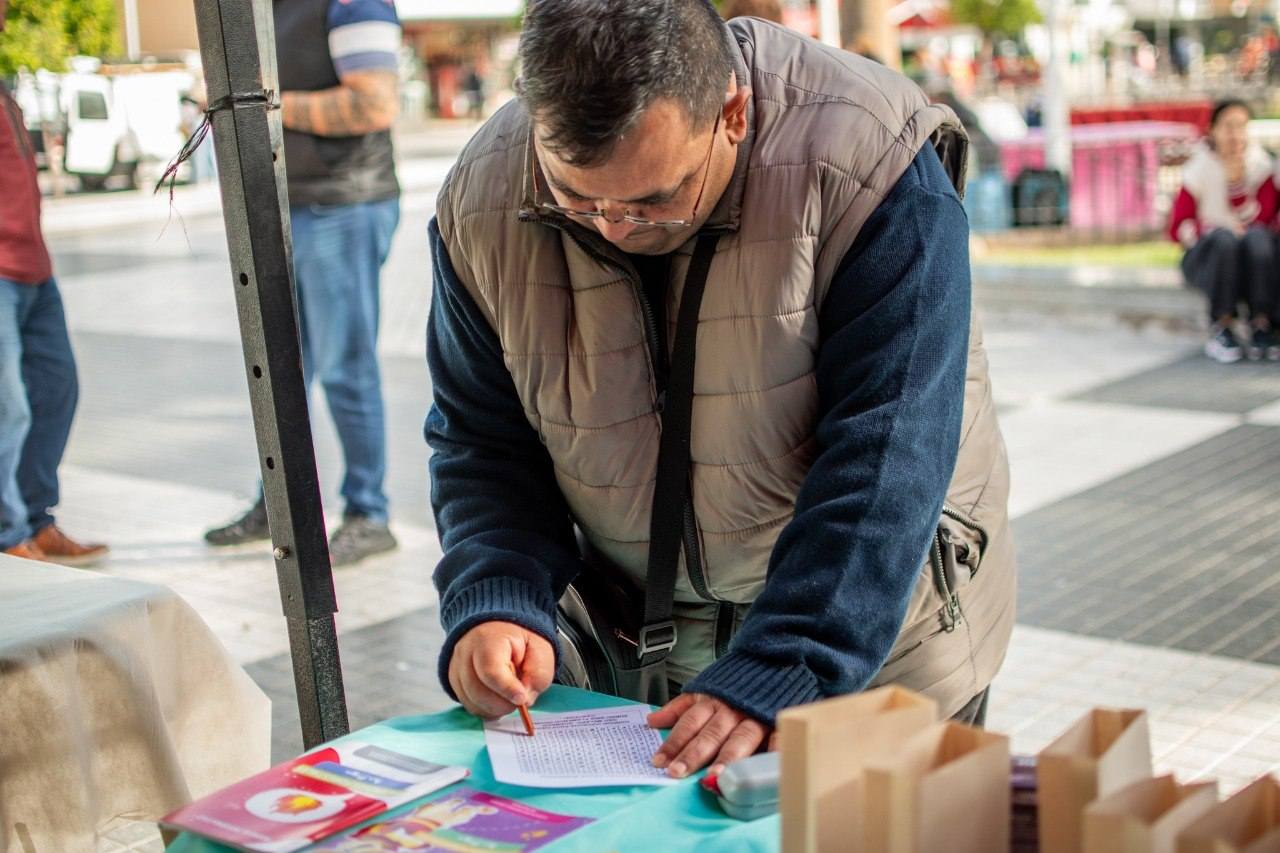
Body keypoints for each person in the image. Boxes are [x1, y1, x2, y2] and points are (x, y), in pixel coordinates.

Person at [426, 1, 1015, 779]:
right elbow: (483, 438)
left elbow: (888, 457)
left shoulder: (871, 161)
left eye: (652, 199)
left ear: (732, 112)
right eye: (576, 198)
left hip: (875, 642)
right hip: (633, 657)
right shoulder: (482, 198)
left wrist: (786, 663)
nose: (613, 229)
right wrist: (499, 592)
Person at [205, 0, 403, 566]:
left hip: (342, 204)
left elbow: (373, 102)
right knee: (282, 367)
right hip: (283, 204)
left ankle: (369, 512)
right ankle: (282, 506)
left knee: (344, 366)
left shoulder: (351, 2)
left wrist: (257, 107)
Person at [0, 0, 108, 567]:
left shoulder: (4, 85)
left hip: (33, 269)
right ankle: (6, 537)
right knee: (5, 407)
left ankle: (35, 520)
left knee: (54, 390)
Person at [1169, 99, 1280, 362]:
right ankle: (1222, 325)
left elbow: (1263, 219)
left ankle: (1261, 324)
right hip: (1210, 257)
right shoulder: (1198, 169)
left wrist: (1237, 185)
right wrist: (1210, 228)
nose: (1235, 134)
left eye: (1241, 126)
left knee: (1258, 239)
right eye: (1228, 126)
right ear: (1213, 129)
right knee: (1224, 239)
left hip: (1253, 260)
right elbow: (1177, 227)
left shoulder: (1261, 167)